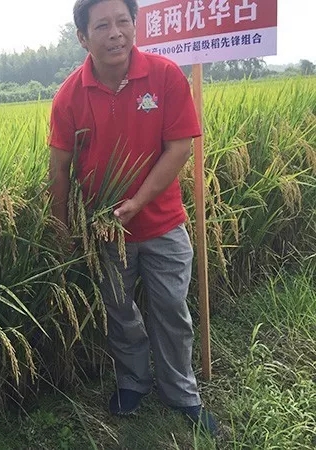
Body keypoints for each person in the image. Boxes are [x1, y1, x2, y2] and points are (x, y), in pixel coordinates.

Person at [47, 0, 218, 438]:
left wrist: (139, 202)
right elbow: (59, 169)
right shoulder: (69, 96)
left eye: (123, 21)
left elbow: (179, 147)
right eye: (102, 25)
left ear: (135, 25)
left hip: (162, 224)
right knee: (119, 310)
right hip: (105, 230)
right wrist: (62, 229)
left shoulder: (164, 76)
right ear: (83, 37)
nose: (116, 33)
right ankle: (133, 382)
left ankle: (181, 392)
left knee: (171, 309)